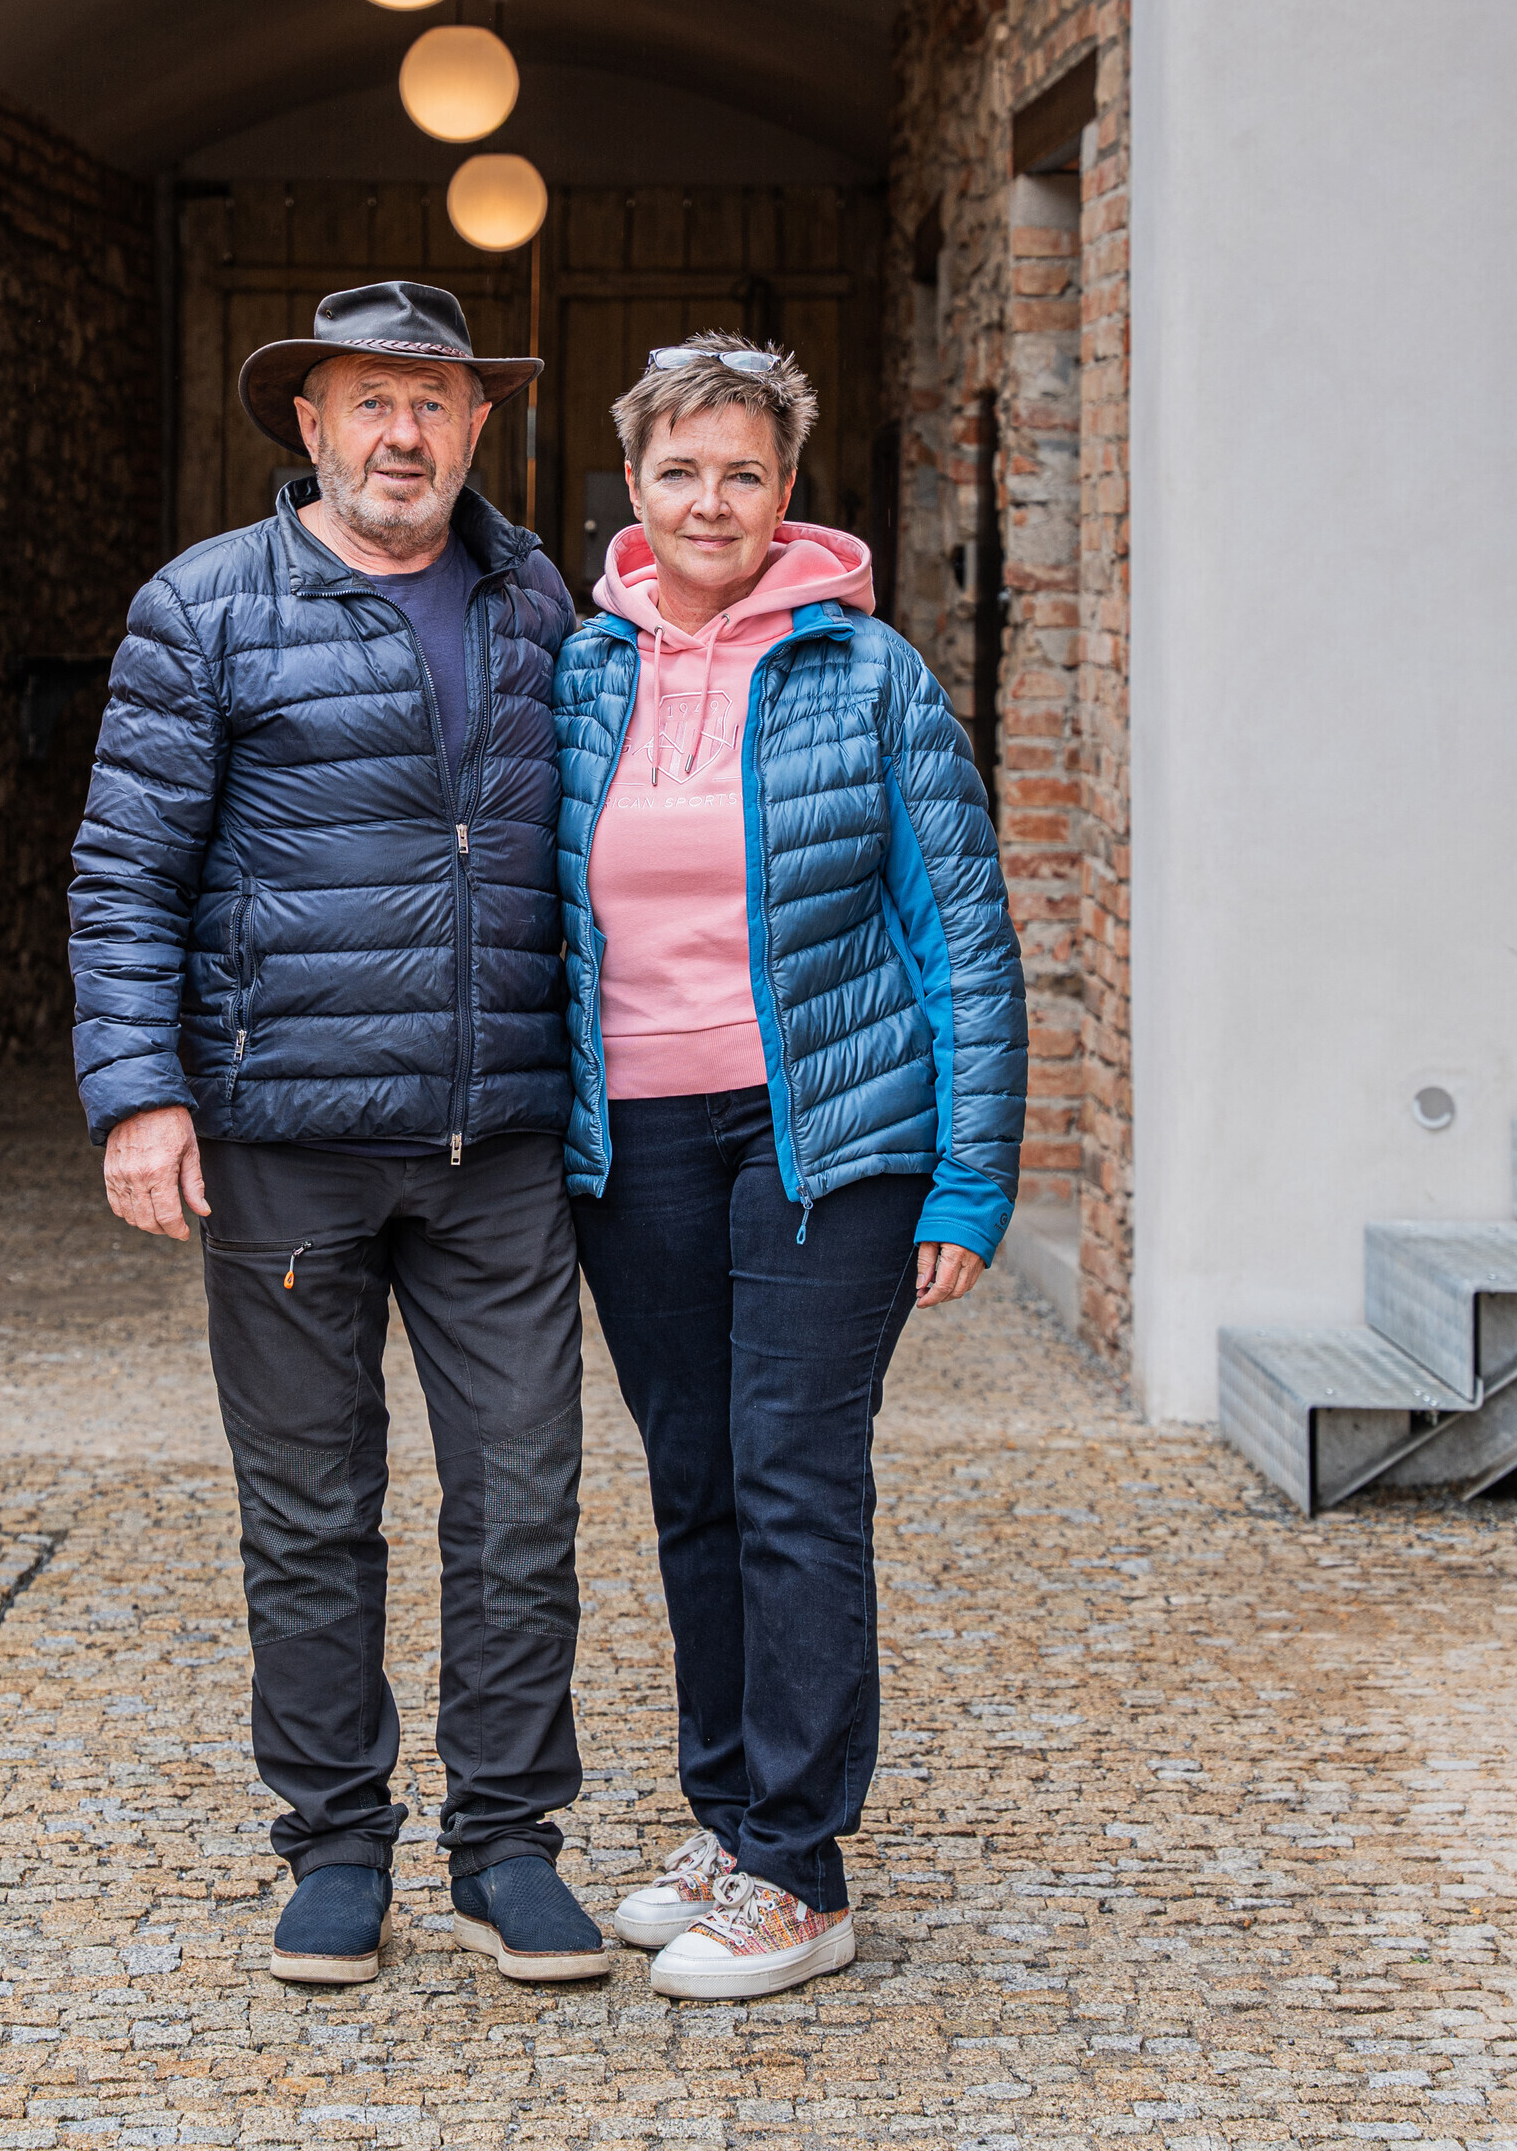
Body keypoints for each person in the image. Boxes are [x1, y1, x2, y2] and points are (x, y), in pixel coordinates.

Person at [69, 280, 608, 1992]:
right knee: (307, 1508)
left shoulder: (537, 598)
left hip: (497, 1137)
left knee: (520, 1499)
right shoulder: (206, 607)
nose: (402, 432)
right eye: (369, 399)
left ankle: (506, 1846)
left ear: (478, 424)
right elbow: (125, 870)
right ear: (308, 425)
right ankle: (333, 1844)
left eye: (433, 401)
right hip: (284, 1135)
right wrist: (139, 1093)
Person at [553, 331, 1026, 2002]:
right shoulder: (576, 673)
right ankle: (730, 1819)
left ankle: (801, 1875)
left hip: (829, 1134)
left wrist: (970, 1173)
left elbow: (961, 933)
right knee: (694, 1483)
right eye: (679, 471)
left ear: (785, 491)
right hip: (635, 1142)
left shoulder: (868, 673)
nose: (710, 501)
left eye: (742, 473)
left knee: (793, 1481)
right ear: (632, 486)